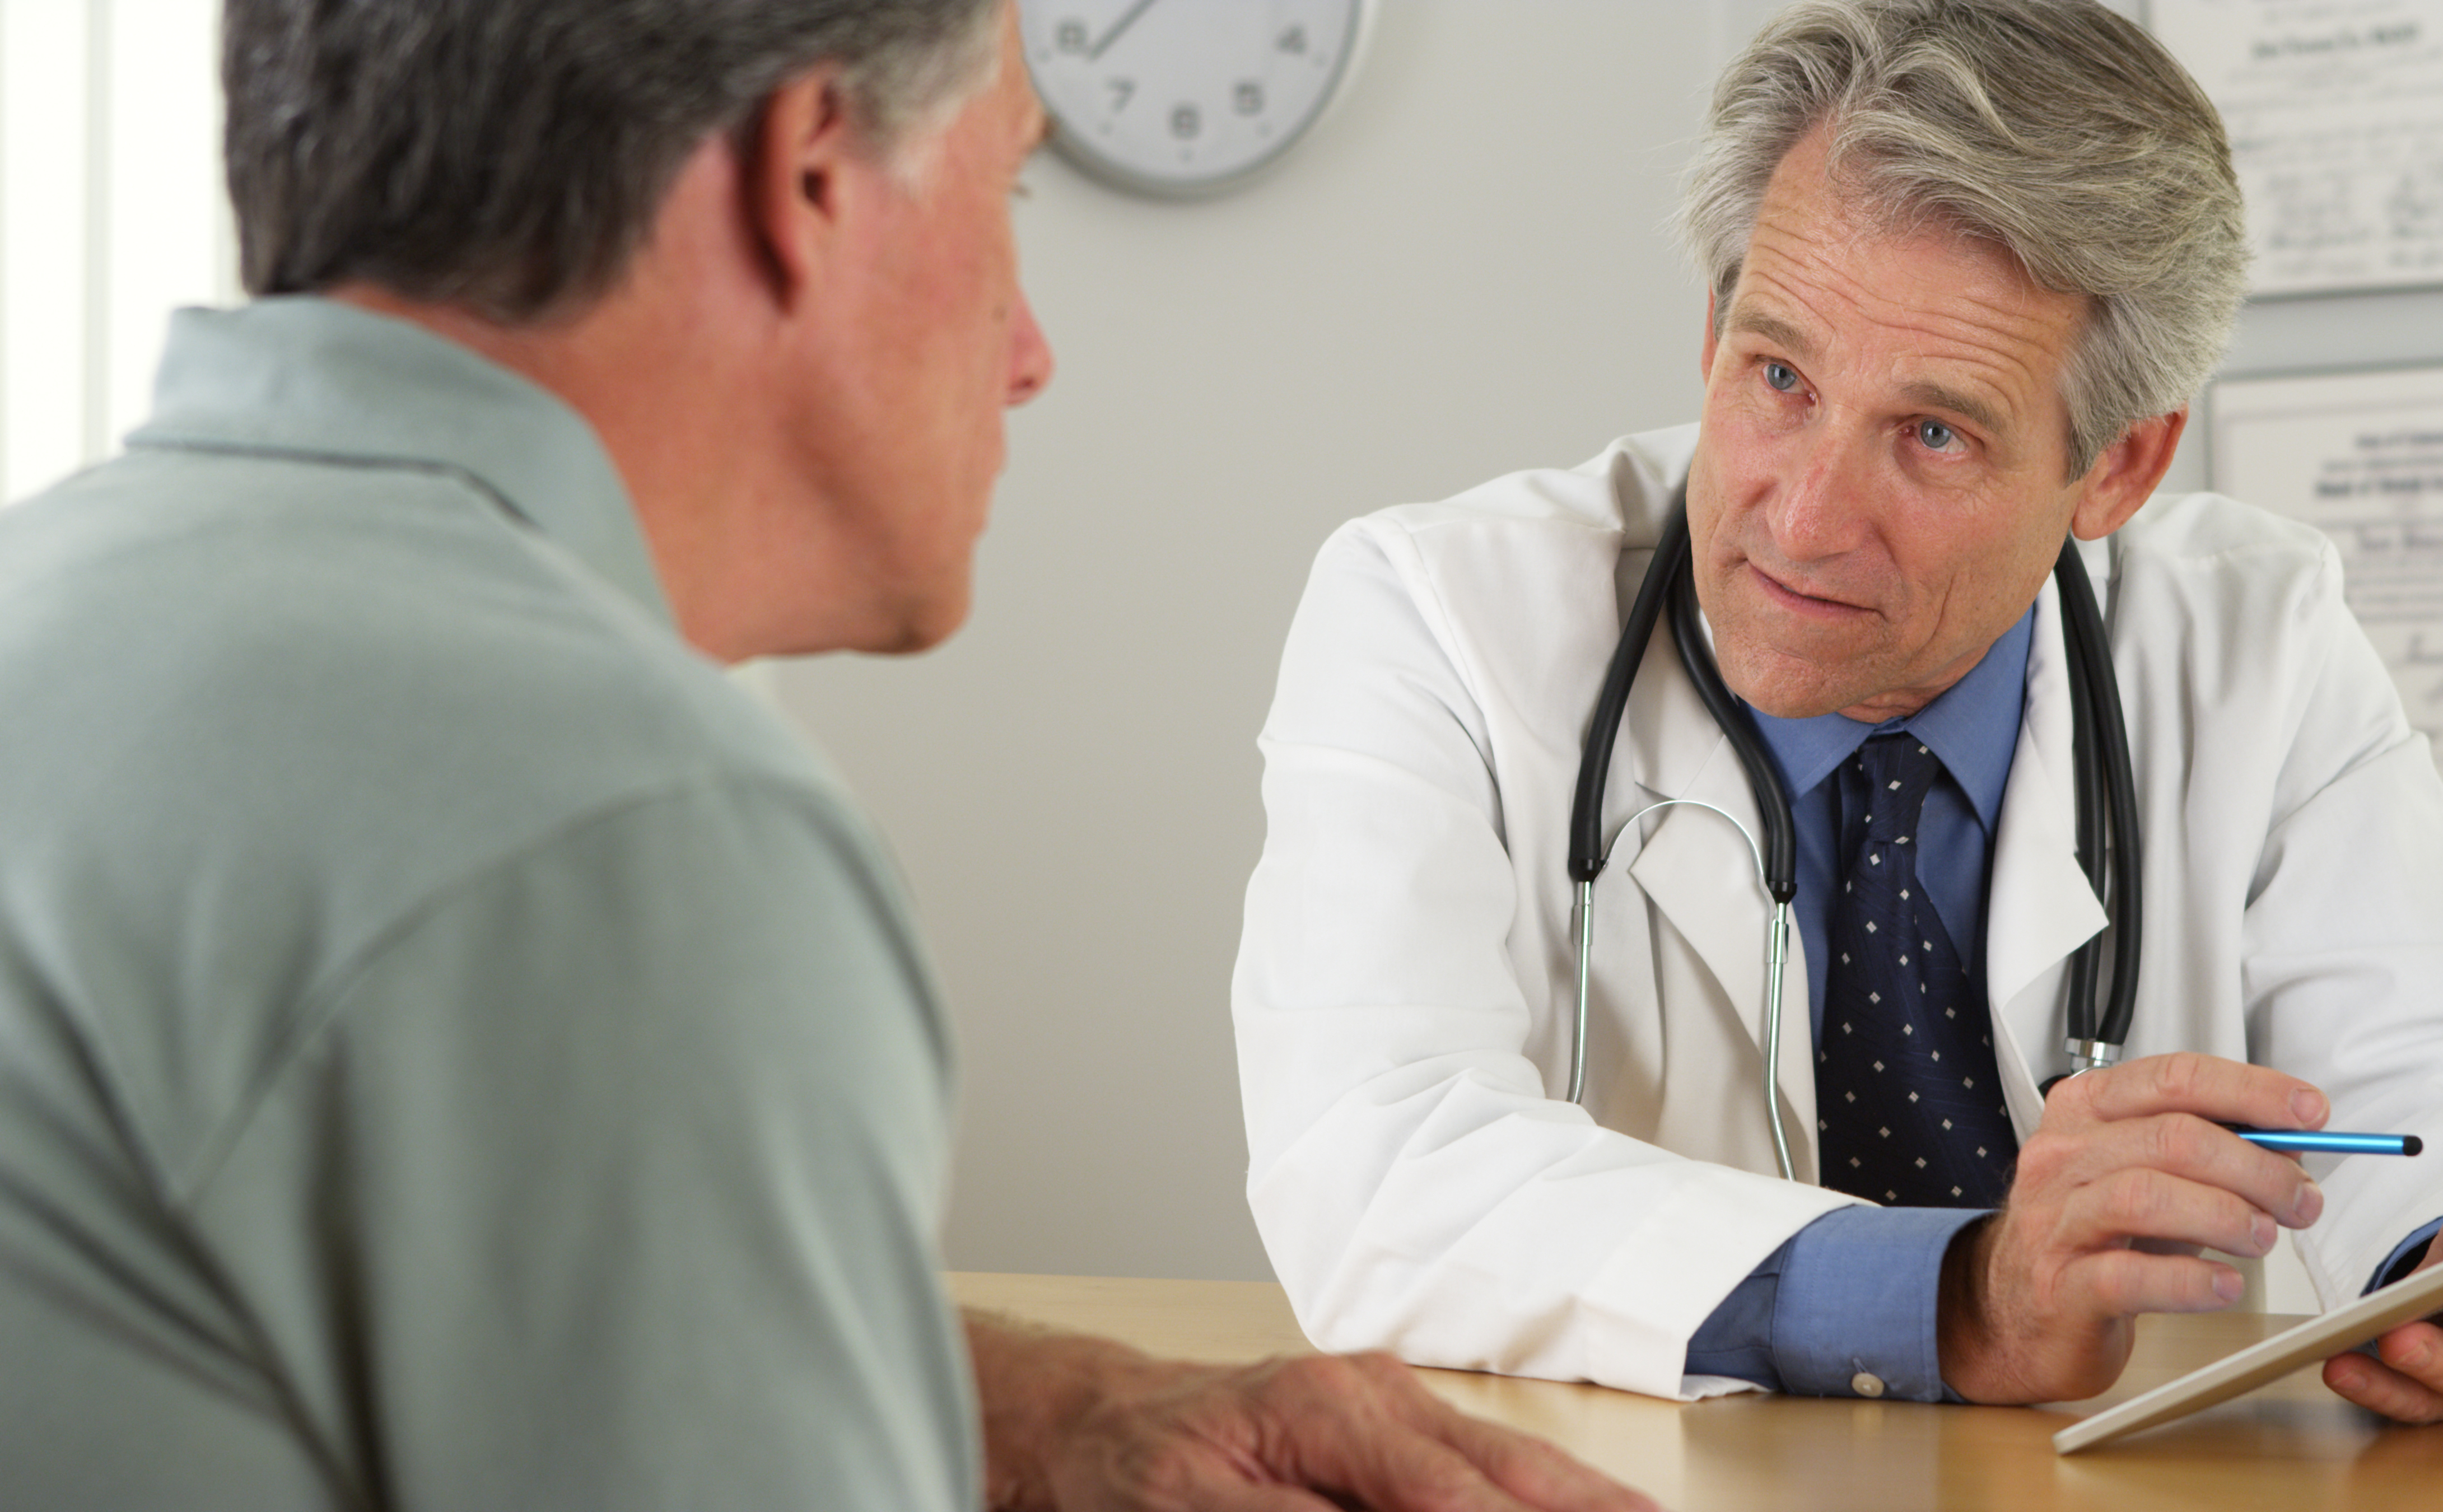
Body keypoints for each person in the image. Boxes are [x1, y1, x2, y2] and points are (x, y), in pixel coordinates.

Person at [0, 3, 1656, 1509]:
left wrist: (1050, 1409)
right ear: (805, 180)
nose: (1031, 349)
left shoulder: (65, 602)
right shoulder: (630, 824)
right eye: (1006, 191)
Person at [1233, 0, 2443, 1418]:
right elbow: (1371, 1155)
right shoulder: (1432, 613)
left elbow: (2438, 1060)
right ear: (1710, 333)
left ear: (2121, 469)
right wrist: (1951, 1296)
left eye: (1932, 431)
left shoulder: (2255, 637)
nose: (1804, 520)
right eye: (1776, 375)